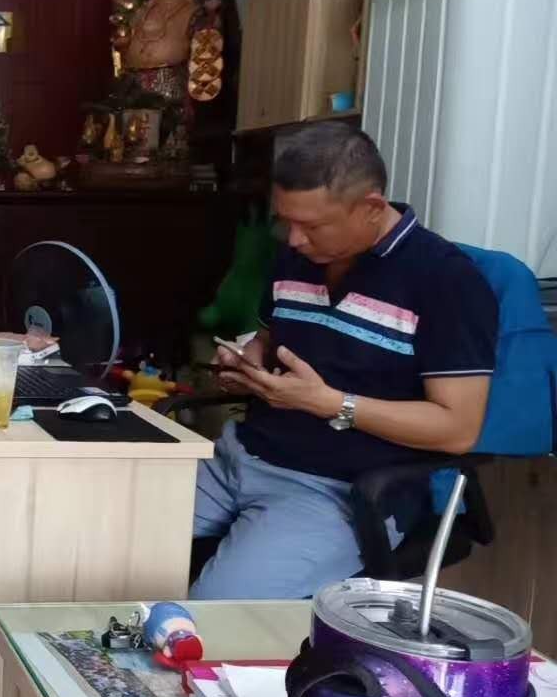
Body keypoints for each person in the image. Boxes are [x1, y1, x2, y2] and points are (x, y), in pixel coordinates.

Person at [190, 123, 498, 600]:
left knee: (214, 615)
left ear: (371, 207)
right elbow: (272, 338)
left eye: (311, 226)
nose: (293, 239)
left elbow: (458, 429)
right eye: (285, 221)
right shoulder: (296, 257)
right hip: (237, 457)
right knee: (88, 541)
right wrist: (248, 360)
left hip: (336, 492)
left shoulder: (446, 281)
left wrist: (332, 403)